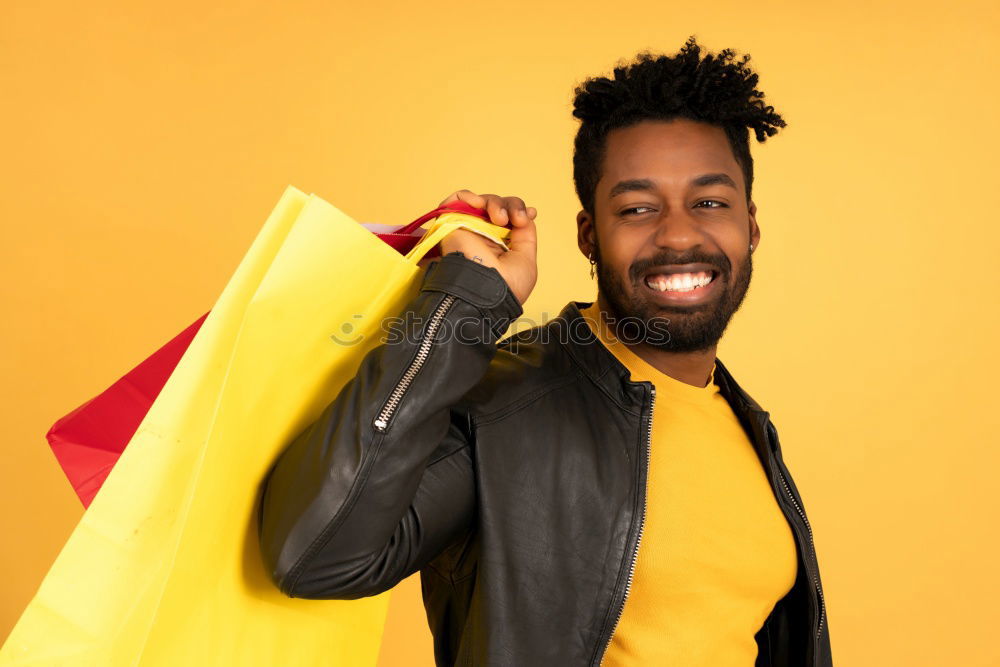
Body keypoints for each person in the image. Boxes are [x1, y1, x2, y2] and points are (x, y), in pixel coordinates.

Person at [258, 35, 832, 667]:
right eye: (637, 208)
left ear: (750, 225)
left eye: (709, 202)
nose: (677, 233)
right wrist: (466, 304)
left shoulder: (747, 424)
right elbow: (314, 556)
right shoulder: (511, 403)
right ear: (589, 234)